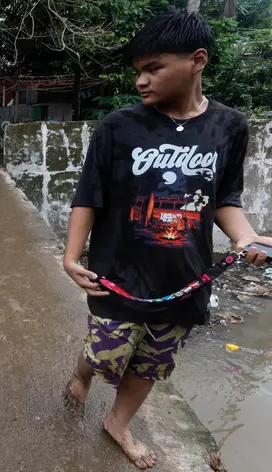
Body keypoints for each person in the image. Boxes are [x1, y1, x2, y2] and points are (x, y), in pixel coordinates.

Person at [61, 9, 272, 470]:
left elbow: (224, 199)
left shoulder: (230, 127)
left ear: (196, 60)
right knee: (106, 349)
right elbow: (88, 196)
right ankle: (83, 375)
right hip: (117, 273)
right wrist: (70, 256)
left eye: (153, 68)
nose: (141, 80)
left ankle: (118, 423)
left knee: (153, 361)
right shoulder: (118, 126)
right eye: (138, 71)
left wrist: (246, 238)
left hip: (184, 278)